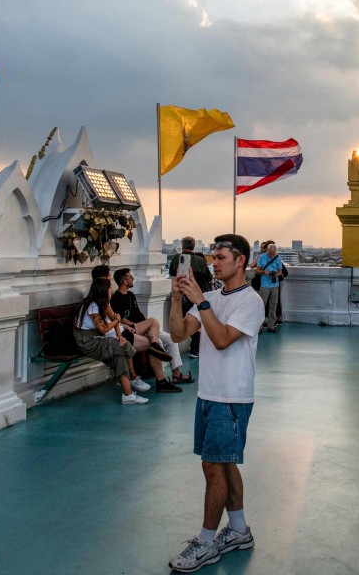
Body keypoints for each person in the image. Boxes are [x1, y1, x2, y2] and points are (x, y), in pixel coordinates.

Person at [168, 234, 264, 573]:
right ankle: (238, 529)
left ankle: (206, 542)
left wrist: (202, 302)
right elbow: (179, 334)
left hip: (231, 397)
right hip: (207, 394)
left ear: (240, 261)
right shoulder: (207, 296)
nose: (215, 262)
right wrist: (177, 298)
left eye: (221, 257)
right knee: (223, 465)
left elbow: (222, 339)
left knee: (213, 467)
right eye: (213, 257)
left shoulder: (250, 302)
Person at [72, 278, 175, 405]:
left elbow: (113, 323)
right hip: (88, 341)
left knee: (119, 354)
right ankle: (132, 378)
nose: (111, 290)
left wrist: (119, 335)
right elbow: (103, 329)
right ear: (104, 291)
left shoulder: (102, 304)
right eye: (110, 288)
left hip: (96, 338)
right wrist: (116, 321)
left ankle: (128, 395)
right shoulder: (93, 306)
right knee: (123, 346)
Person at [111, 267, 193, 387]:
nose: (133, 278)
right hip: (133, 329)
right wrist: (136, 326)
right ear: (124, 281)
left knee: (171, 340)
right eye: (130, 277)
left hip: (145, 327)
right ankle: (161, 379)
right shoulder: (116, 298)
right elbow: (119, 318)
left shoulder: (130, 295)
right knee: (157, 341)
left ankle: (176, 374)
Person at [169, 237, 213, 358]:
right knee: (198, 320)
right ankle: (195, 349)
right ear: (193, 246)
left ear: (182, 246)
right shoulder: (200, 260)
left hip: (182, 293)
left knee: (185, 320)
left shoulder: (176, 259)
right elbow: (208, 277)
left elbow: (172, 274)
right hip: (199, 294)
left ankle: (194, 347)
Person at [254, 243, 284, 333]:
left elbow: (280, 272)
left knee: (273, 306)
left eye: (273, 253)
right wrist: (264, 272)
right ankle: (259, 327)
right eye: (270, 253)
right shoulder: (262, 257)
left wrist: (275, 274)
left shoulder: (277, 258)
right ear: (267, 250)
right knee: (261, 306)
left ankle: (271, 326)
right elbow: (257, 270)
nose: (272, 255)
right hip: (264, 285)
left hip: (275, 285)